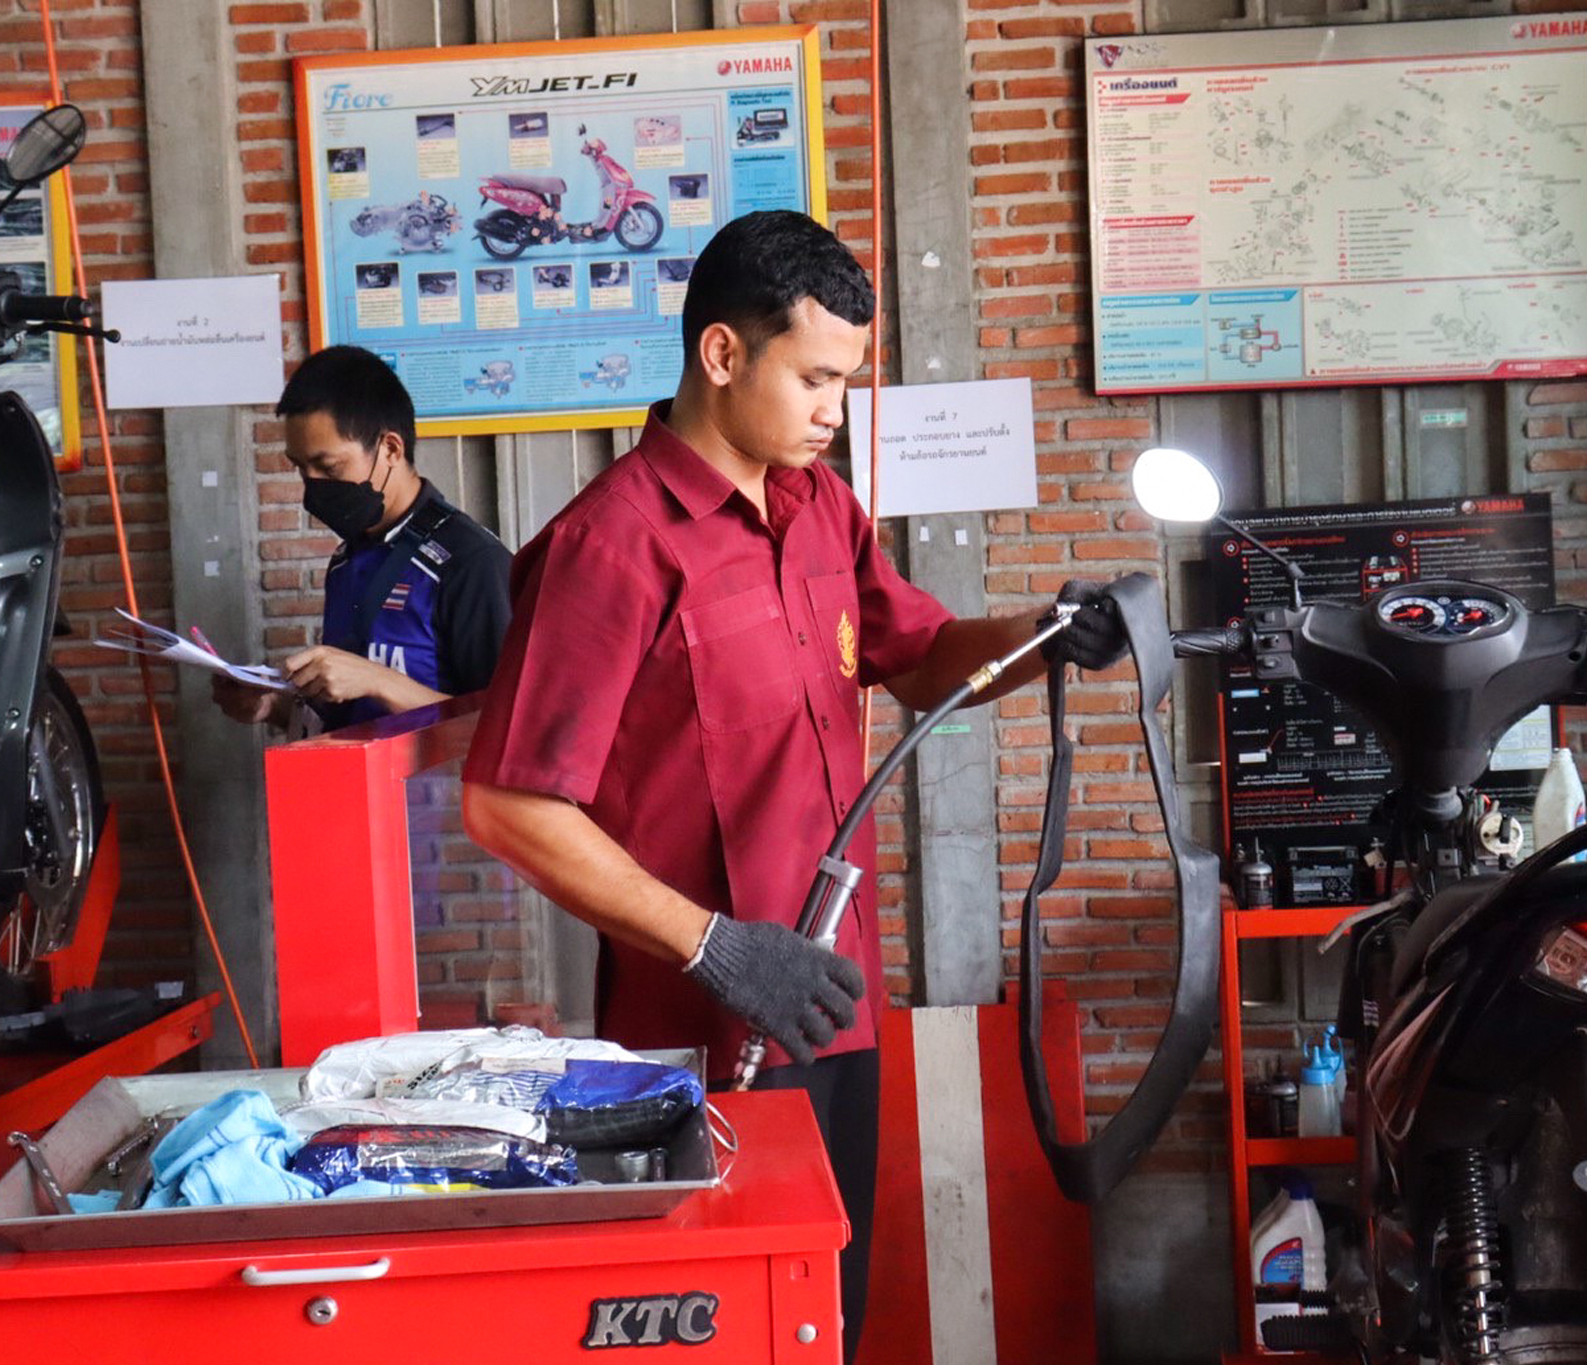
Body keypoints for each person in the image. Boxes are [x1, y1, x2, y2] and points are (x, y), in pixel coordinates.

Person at [460, 210, 1129, 1361]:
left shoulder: (816, 509)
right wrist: (718, 947)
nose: (834, 412)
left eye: (848, 383)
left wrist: (1040, 633)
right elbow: (510, 804)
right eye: (815, 378)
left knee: (830, 1315)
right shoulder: (612, 548)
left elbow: (915, 661)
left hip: (830, 1000)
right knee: (734, 1332)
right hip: (707, 1034)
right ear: (722, 356)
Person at [213, 345, 513, 732]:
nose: (313, 486)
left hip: (441, 792)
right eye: (301, 468)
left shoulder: (471, 562)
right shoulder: (347, 560)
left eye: (328, 466)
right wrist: (271, 706)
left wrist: (379, 681)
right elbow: (350, 719)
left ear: (390, 448)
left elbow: (508, 729)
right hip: (355, 789)